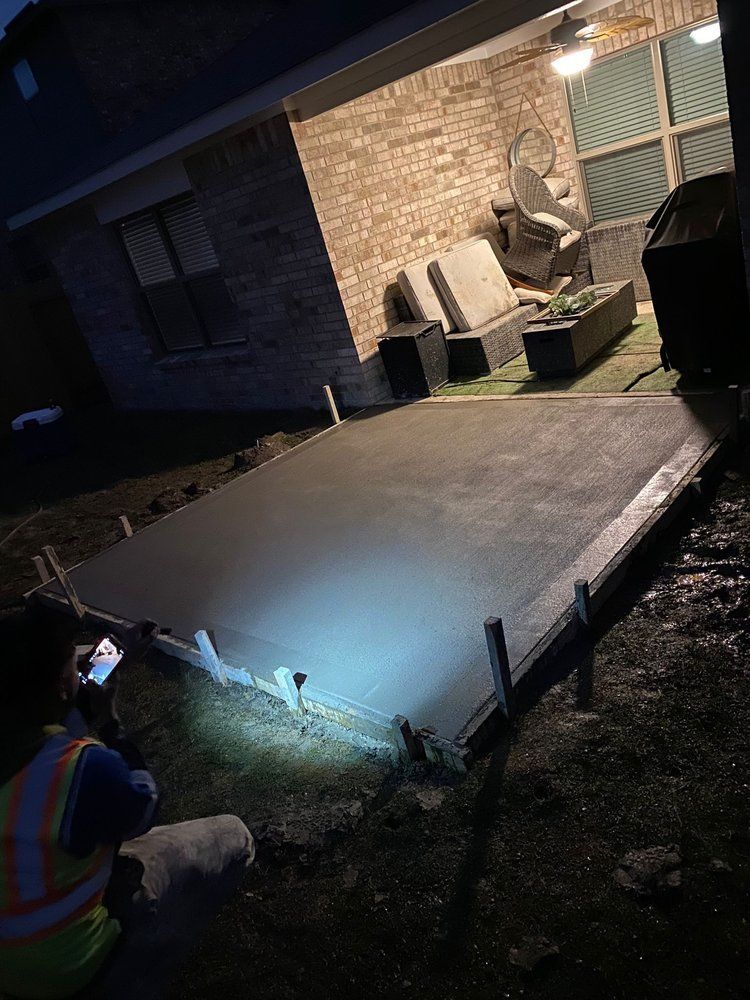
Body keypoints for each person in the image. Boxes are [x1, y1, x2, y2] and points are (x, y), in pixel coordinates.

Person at [0, 610, 254, 1000]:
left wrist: (113, 657)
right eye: (74, 665)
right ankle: (146, 961)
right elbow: (144, 808)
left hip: (10, 962)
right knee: (234, 836)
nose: (82, 670)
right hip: (70, 966)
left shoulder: (17, 733)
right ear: (61, 686)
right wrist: (110, 724)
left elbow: (54, 714)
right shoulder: (81, 769)